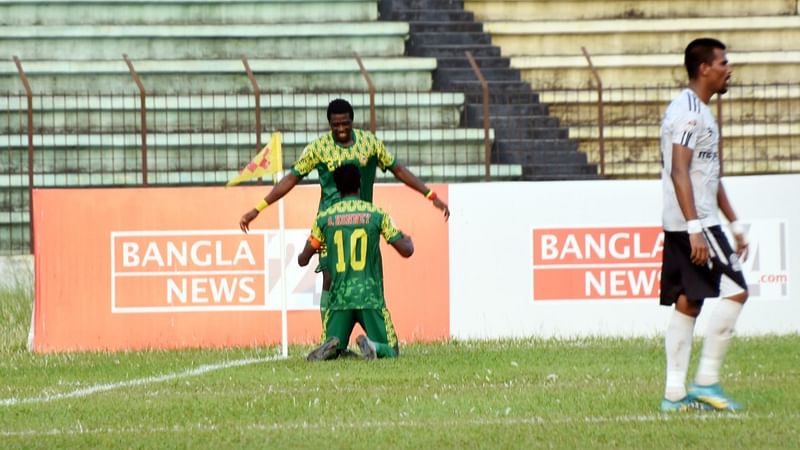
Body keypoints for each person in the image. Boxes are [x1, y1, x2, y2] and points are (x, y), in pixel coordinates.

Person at [238, 98, 448, 334]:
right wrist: (258, 208)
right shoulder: (318, 148)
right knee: (330, 278)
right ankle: (329, 337)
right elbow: (291, 178)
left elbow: (398, 169)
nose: (341, 129)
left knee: (370, 277)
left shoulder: (369, 143)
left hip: (363, 221)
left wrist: (430, 195)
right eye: (336, 125)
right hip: (330, 224)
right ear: (329, 124)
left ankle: (374, 333)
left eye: (345, 124)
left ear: (352, 121)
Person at [659, 38, 749, 412]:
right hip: (694, 222)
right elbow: (679, 169)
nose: (728, 69)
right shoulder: (690, 113)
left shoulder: (699, 111)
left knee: (689, 301)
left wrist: (736, 222)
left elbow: (707, 175)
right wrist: (695, 225)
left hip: (692, 219)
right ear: (704, 69)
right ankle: (707, 381)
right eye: (723, 63)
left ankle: (675, 395)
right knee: (737, 290)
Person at [299, 164, 413, 360]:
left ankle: (333, 348)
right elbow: (405, 250)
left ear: (336, 186)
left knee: (335, 349)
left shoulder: (324, 218)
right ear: (360, 183)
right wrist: (407, 240)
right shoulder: (376, 214)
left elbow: (303, 259)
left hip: (339, 299)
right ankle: (373, 346)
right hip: (369, 297)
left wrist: (314, 249)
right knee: (392, 351)